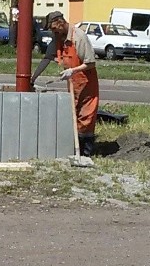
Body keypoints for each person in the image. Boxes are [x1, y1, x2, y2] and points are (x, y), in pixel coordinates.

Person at [30, 11, 99, 157]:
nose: (53, 32)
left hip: (86, 83)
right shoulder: (59, 38)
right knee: (73, 115)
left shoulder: (79, 37)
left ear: (60, 23)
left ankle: (86, 153)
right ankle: (75, 150)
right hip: (73, 85)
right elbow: (48, 57)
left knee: (85, 117)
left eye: (54, 28)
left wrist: (72, 70)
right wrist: (33, 78)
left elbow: (91, 63)